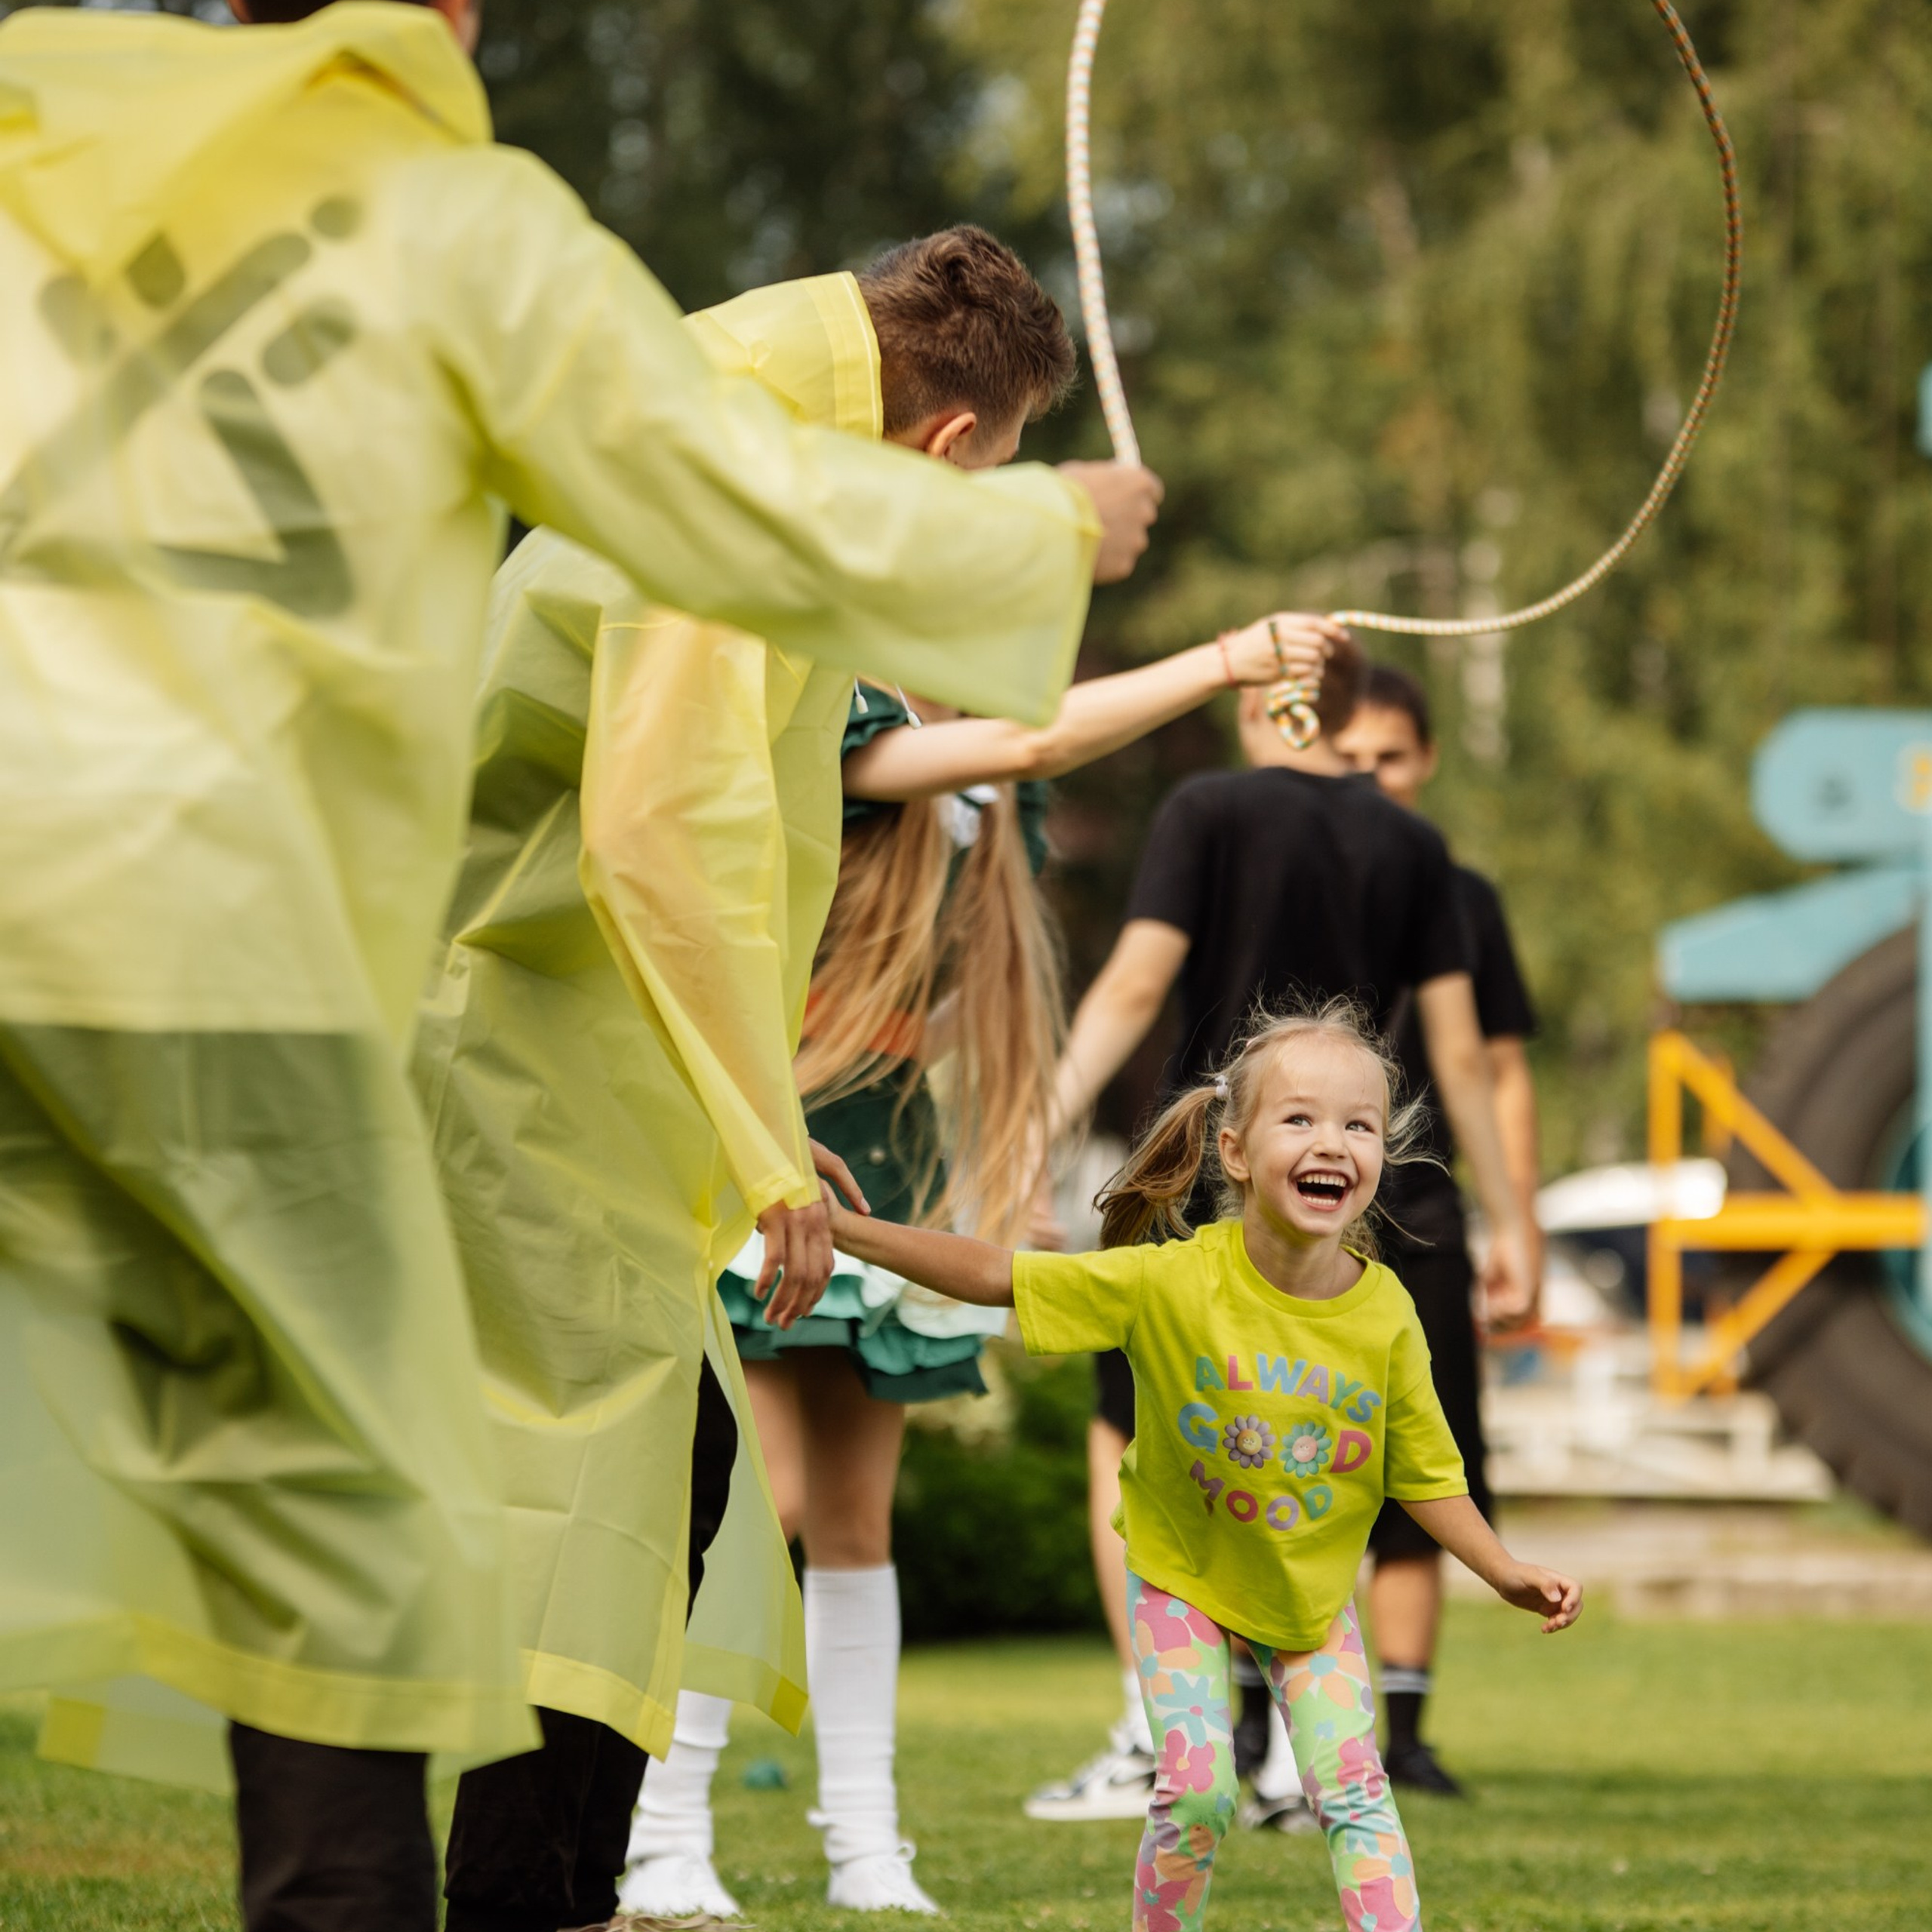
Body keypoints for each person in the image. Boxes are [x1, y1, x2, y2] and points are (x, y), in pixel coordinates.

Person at [0, 3, 1161, 1927]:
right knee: (571, 1496)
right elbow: (668, 812)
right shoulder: (502, 258)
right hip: (471, 1063)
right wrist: (1039, 536)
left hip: (182, 933)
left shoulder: (90, 150)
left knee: (402, 1495)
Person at [417, 231, 1159, 1932]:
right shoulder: (742, 450)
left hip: (565, 1057)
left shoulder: (743, 386)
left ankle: (549, 1894)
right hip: (509, 1053)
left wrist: (741, 1104)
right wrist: (761, 1138)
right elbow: (662, 830)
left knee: (643, 1482)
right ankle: (526, 1905)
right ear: (952, 450)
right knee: (594, 1499)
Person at [623, 589, 1345, 1915]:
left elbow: (961, 1000)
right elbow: (1027, 746)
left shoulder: (981, 810)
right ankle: (664, 1835)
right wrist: (1233, 660)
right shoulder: (852, 725)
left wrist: (1005, 1168)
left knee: (851, 1523)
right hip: (770, 1152)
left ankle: (865, 1846)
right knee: (756, 1505)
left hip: (887, 1160)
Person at [823, 1000, 1582, 1932]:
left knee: (1352, 1788)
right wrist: (846, 1233)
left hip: (1308, 1598)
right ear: (1233, 1150)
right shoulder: (1171, 1280)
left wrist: (1502, 1569)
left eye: (1359, 1125)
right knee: (1197, 1793)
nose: (1332, 1141)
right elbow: (997, 1276)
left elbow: (1424, 1474)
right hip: (1182, 1574)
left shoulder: (1386, 1315)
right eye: (1298, 1118)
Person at [1026, 638, 1536, 1827]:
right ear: (1346, 714)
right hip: (1353, 1180)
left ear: (1266, 702)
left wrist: (1035, 1132)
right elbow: (1456, 1050)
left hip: (1210, 1172)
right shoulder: (1415, 843)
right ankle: (1289, 1758)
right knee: (1326, 1452)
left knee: (1136, 1439)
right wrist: (1508, 1219)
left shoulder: (1206, 807)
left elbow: (1137, 984)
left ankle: (1161, 1729)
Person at [1333, 661, 1541, 1795]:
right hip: (1295, 1221)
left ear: (1427, 762)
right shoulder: (1286, 865)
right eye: (1349, 756)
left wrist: (1522, 1224)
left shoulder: (1459, 895)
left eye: (1390, 759)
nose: (1369, 779)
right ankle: (1267, 1734)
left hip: (1418, 1210)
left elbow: (1495, 1068)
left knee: (1431, 1459)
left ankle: (1401, 1733)